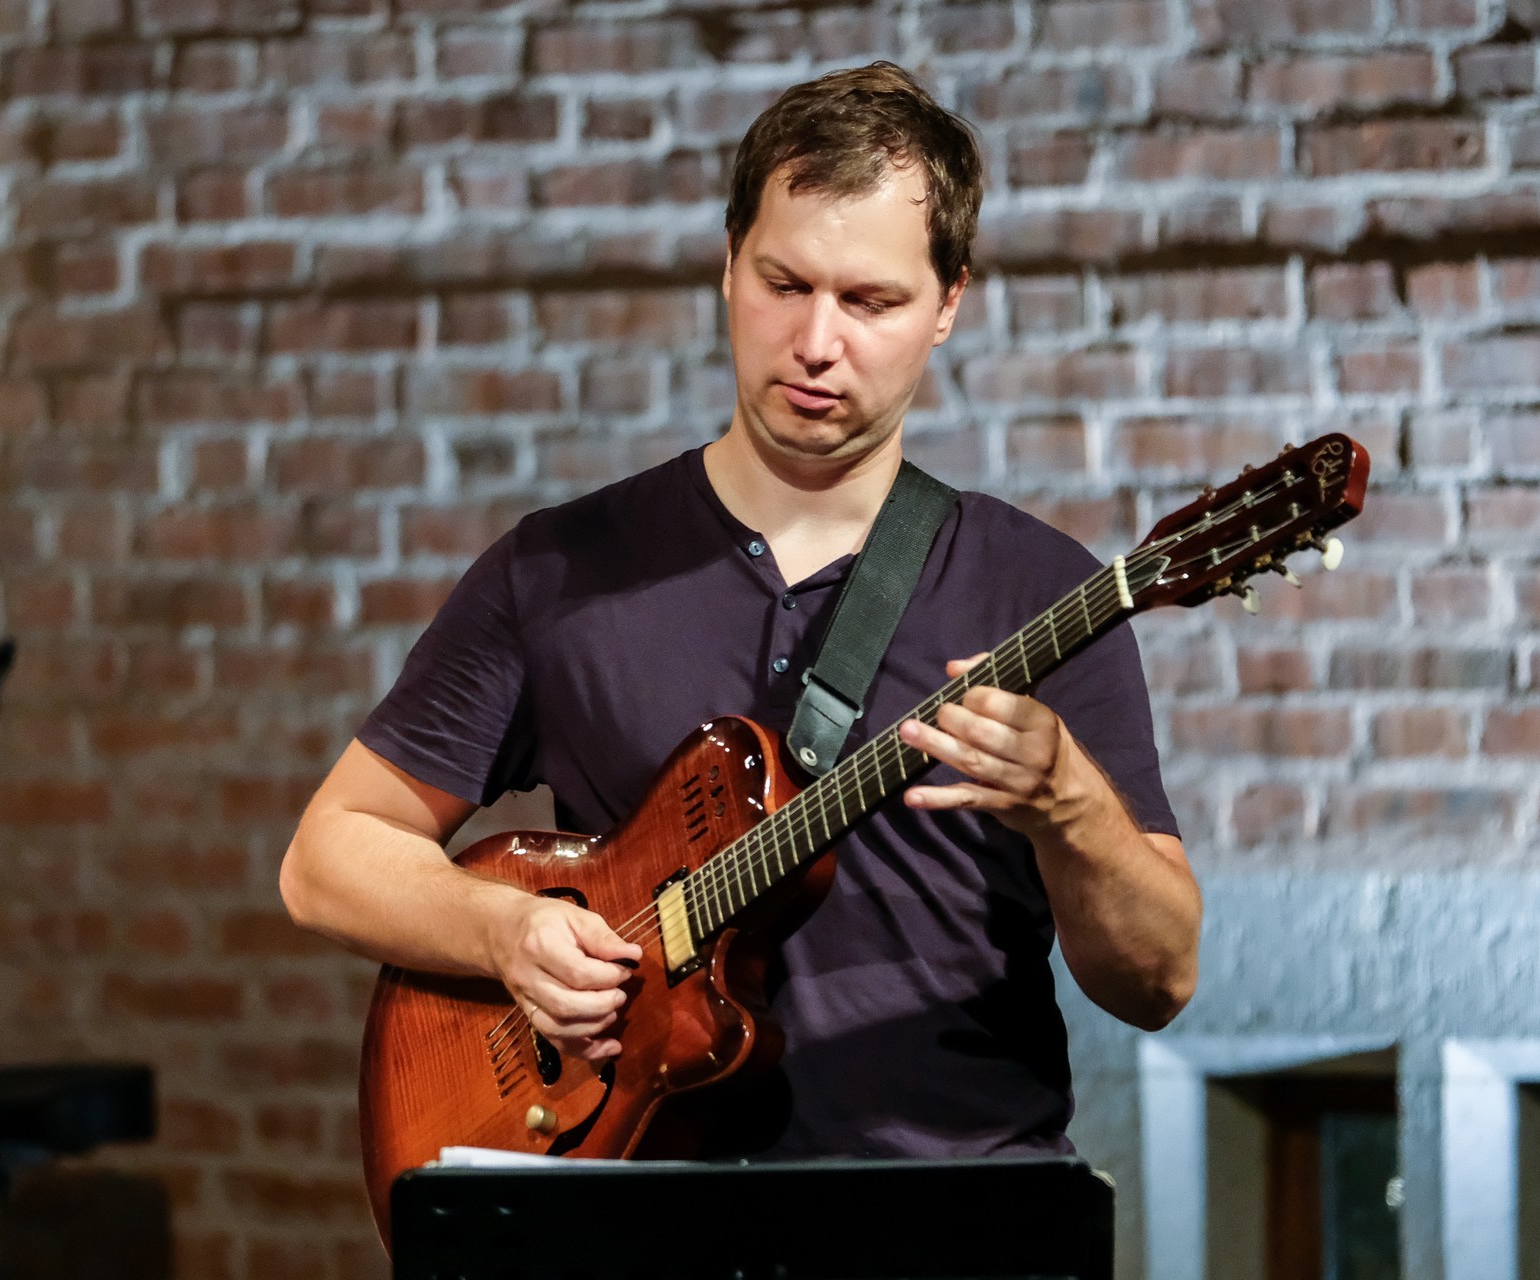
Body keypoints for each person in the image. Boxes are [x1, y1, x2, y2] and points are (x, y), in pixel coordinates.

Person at [280, 61, 1200, 1160]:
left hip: (953, 1214)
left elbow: (1158, 982)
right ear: (728, 263)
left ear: (949, 304)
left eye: (870, 301)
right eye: (784, 283)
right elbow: (328, 857)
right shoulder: (561, 568)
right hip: (641, 1207)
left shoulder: (1042, 590)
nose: (816, 342)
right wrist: (507, 928)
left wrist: (1070, 806)